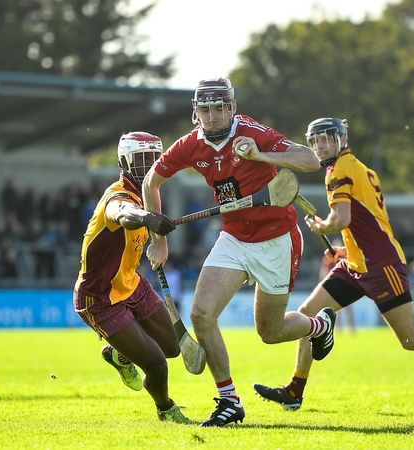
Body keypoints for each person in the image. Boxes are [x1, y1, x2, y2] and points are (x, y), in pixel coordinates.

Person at [253, 117, 414, 411]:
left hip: (382, 266)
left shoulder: (339, 172)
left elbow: (341, 219)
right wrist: (345, 248)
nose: (319, 146)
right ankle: (295, 390)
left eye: (326, 139)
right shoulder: (360, 168)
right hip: (356, 263)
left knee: (413, 338)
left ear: (341, 139)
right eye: (315, 140)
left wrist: (321, 227)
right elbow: (368, 223)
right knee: (308, 313)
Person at [141, 78, 331, 428]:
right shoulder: (190, 145)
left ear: (231, 108)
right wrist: (159, 239)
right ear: (196, 113)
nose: (213, 117)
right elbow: (151, 180)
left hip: (277, 239)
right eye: (205, 110)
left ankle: (318, 326)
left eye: (219, 108)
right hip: (234, 237)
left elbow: (309, 160)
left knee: (270, 333)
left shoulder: (251, 132)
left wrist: (261, 154)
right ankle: (229, 401)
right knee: (200, 313)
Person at [73, 131, 189, 424]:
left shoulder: (150, 193)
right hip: (99, 297)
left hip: (132, 284)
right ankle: (166, 409)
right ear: (124, 161)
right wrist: (149, 218)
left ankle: (119, 354)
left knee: (173, 348)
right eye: (142, 159)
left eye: (155, 158)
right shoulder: (119, 194)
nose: (150, 165)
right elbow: (121, 213)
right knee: (158, 366)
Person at [320, 238, 355, 335]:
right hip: (341, 283)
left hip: (339, 283)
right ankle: (347, 328)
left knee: (341, 309)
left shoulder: (330, 258)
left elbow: (323, 272)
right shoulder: (338, 258)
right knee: (345, 309)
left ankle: (345, 328)